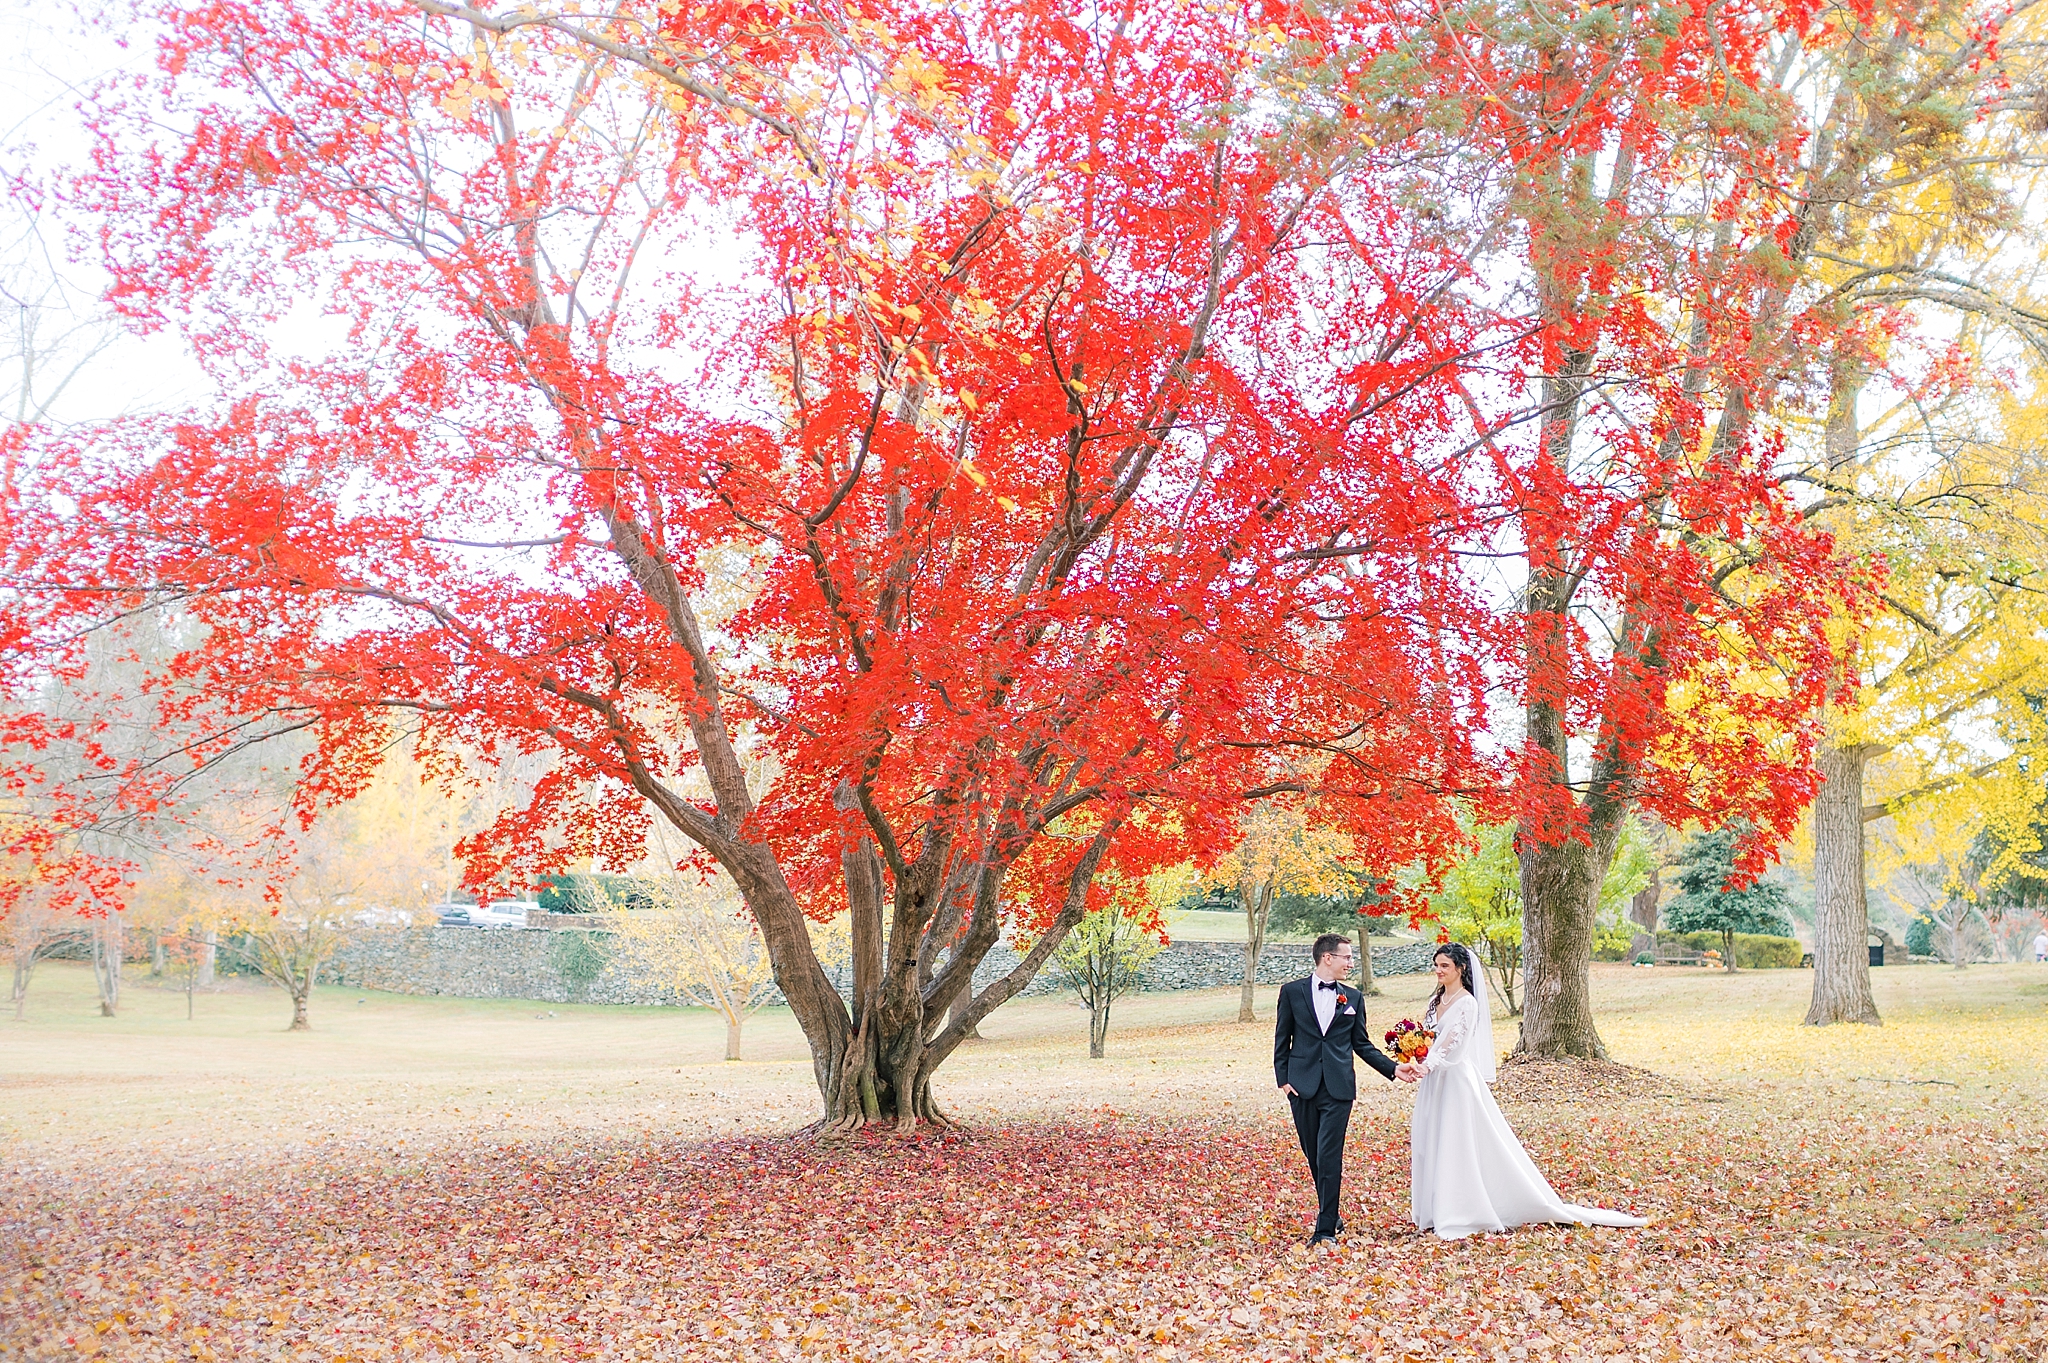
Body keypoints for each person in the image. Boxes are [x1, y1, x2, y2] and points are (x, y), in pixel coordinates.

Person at [1395, 943, 1648, 1240]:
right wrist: (1416, 1052)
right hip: (1433, 1081)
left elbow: (1454, 1042)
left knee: (1456, 1141)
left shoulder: (1467, 1003)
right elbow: (1431, 1037)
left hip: (1455, 1079)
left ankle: (1460, 1209)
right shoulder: (1437, 1000)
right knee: (1432, 1140)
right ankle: (1434, 1208)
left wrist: (1430, 1063)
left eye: (1444, 966)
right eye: (1436, 965)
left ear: (1461, 969)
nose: (1438, 970)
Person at [1274, 933, 1396, 1246]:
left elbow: (1362, 1044)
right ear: (1327, 957)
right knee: (1314, 1155)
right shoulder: (1291, 992)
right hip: (1301, 1087)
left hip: (1339, 1088)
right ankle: (1333, 1213)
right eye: (1346, 957)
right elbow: (1282, 1040)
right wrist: (1284, 1080)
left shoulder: (1353, 998)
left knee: (1329, 1155)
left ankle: (1325, 1229)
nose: (1351, 963)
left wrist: (1394, 1069)